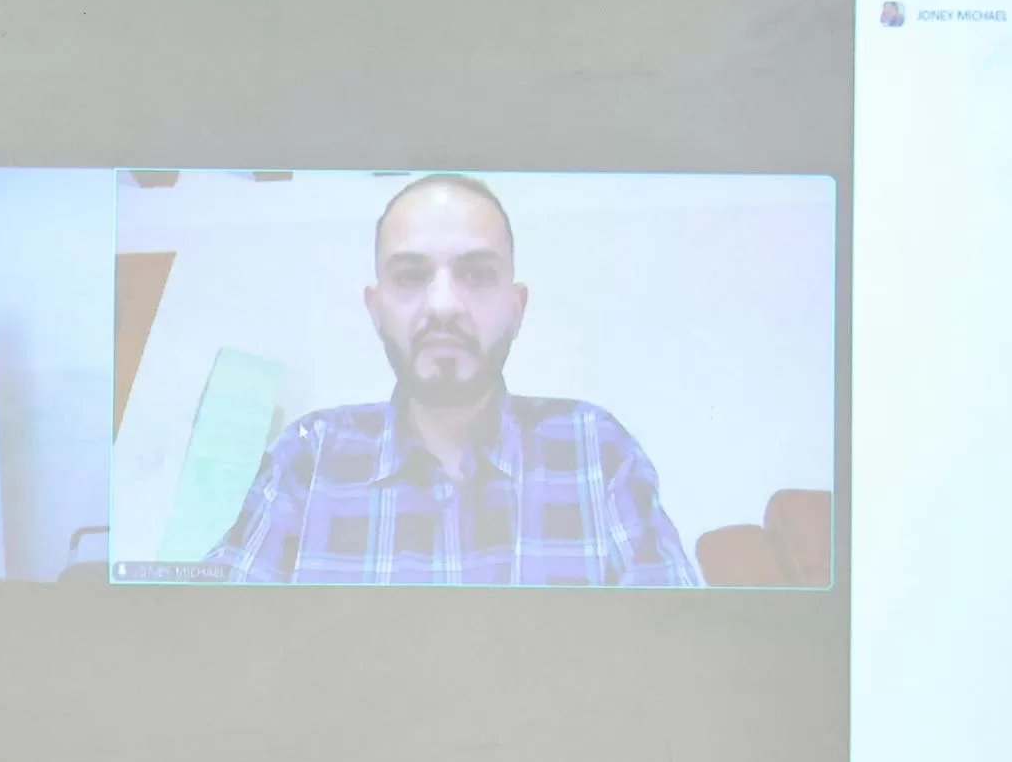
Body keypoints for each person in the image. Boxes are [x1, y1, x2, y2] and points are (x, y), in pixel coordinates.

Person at [207, 174, 699, 586]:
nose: (442, 305)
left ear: (516, 309)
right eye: (410, 275)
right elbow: (214, 638)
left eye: (477, 274)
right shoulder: (308, 458)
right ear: (376, 311)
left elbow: (675, 649)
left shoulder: (597, 451)